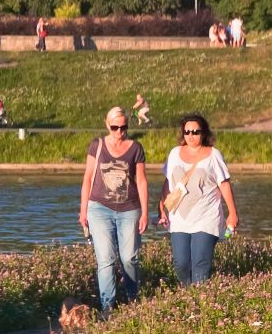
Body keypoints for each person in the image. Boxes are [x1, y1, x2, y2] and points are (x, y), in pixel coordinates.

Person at [80, 108, 150, 315]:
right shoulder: (97, 145)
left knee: (129, 258)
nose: (120, 131)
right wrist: (83, 210)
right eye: (115, 127)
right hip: (99, 208)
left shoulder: (136, 148)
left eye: (124, 127)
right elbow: (87, 178)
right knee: (106, 259)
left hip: (130, 209)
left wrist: (145, 212)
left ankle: (132, 298)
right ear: (107, 125)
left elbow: (142, 181)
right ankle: (107, 307)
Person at [160, 114, 237, 285]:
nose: (191, 135)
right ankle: (189, 297)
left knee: (200, 262)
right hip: (179, 218)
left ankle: (200, 301)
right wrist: (161, 207)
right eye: (187, 132)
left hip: (206, 218)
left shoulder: (214, 155)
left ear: (203, 133)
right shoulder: (174, 154)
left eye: (195, 131)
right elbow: (168, 182)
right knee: (181, 264)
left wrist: (232, 213)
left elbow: (224, 184)